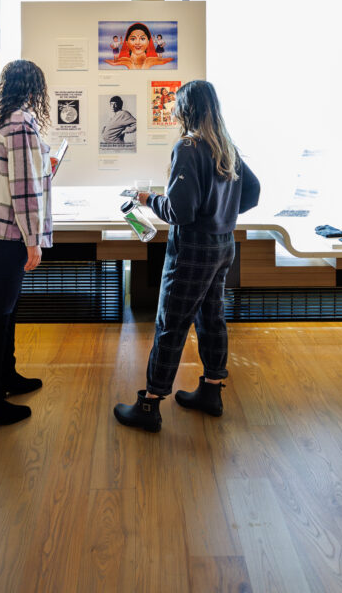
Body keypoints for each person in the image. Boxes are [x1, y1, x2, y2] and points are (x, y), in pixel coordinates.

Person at [114, 80, 260, 432]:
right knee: (212, 317)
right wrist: (221, 212)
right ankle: (211, 391)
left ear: (185, 109)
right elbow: (252, 193)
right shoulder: (225, 146)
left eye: (176, 106)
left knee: (171, 324)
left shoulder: (189, 146)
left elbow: (180, 212)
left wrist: (147, 199)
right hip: (223, 245)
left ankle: (149, 404)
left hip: (192, 251)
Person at [0, 59, 53, 429]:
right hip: (10, 232)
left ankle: (6, 377)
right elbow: (23, 188)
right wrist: (33, 240)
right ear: (33, 89)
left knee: (6, 309)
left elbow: (1, 178)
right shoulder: (20, 122)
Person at [103, 22, 174, 69]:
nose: (137, 43)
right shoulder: (121, 62)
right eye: (133, 39)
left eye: (142, 39)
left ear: (148, 42)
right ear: (127, 42)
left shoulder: (157, 62)